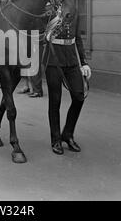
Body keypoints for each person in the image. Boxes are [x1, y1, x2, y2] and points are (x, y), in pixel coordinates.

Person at [46, 11, 91, 155]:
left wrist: (83, 63)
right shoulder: (48, 12)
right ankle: (56, 140)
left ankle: (68, 134)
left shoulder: (73, 12)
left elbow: (77, 38)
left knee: (79, 96)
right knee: (55, 100)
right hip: (52, 60)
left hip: (71, 60)